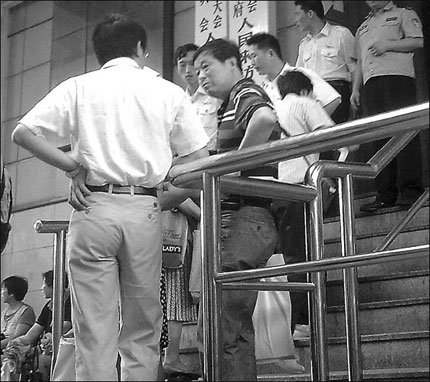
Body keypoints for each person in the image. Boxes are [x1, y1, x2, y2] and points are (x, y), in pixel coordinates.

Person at [11, 13, 209, 381]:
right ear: (140, 49)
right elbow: (201, 160)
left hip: (93, 208)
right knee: (142, 327)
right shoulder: (168, 92)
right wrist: (162, 174)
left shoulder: (79, 87)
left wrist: (73, 166)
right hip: (144, 210)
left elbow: (23, 133)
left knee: (93, 328)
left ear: (100, 53)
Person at [193, 38, 279, 381]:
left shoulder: (244, 91)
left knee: (221, 326)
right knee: (231, 328)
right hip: (241, 220)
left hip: (244, 218)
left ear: (232, 63)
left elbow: (264, 118)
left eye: (206, 66)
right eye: (197, 70)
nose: (200, 76)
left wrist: (229, 170)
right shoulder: (228, 104)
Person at [274, 70, 337, 340]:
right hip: (301, 187)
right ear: (306, 90)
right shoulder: (306, 104)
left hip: (277, 191)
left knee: (290, 257)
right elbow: (330, 136)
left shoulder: (275, 109)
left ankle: (294, 323)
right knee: (304, 255)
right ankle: (304, 322)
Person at [351, 1, 424, 212]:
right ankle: (385, 194)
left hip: (397, 79)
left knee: (404, 135)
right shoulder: (362, 27)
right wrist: (355, 89)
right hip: (371, 84)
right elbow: (359, 62)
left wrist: (388, 45)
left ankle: (411, 191)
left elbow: (417, 41)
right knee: (379, 139)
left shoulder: (402, 14)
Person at [246, 32, 341, 116]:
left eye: (254, 56)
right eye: (250, 58)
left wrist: (313, 127)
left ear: (270, 53)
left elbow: (332, 100)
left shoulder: (301, 74)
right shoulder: (261, 90)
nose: (252, 63)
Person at [294, 0, 356, 124]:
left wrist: (355, 93)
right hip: (312, 97)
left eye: (297, 14)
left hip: (337, 91)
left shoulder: (341, 34)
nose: (295, 20)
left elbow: (354, 68)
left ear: (310, 13)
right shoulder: (303, 45)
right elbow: (298, 76)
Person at [4, 271, 72, 381]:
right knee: (12, 358)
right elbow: (30, 335)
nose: (41, 288)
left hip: (62, 349)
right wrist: (15, 343)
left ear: (54, 286)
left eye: (44, 284)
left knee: (40, 361)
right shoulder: (48, 306)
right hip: (44, 348)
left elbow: (64, 327)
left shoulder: (69, 303)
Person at [175, 43, 222, 153]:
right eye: (182, 64)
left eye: (191, 64)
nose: (187, 70)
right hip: (188, 160)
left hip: (214, 158)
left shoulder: (215, 94)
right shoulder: (178, 100)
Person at [1, 276, 35, 352]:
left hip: (14, 352)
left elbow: (18, 337)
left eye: (3, 289)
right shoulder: (3, 312)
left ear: (11, 294)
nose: (1, 292)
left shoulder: (26, 311)